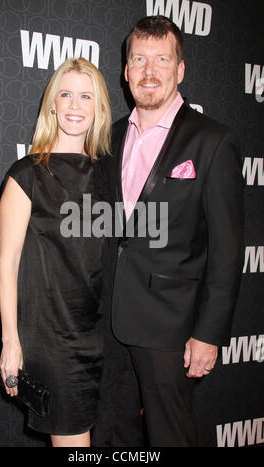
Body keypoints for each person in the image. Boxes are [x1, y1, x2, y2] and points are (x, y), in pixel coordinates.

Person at [99, 16, 244, 447]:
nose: (149, 71)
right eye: (139, 59)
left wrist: (208, 334)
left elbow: (228, 250)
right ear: (125, 72)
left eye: (161, 59)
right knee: (113, 434)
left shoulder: (213, 141)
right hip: (108, 320)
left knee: (170, 436)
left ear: (180, 70)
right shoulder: (110, 137)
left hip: (171, 327)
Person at [0, 58, 111, 447]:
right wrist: (11, 342)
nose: (76, 105)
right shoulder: (26, 175)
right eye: (66, 94)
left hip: (108, 336)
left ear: (99, 108)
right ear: (52, 105)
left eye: (86, 96)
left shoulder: (109, 176)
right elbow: (7, 264)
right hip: (54, 341)